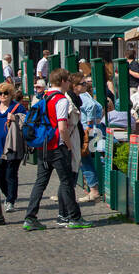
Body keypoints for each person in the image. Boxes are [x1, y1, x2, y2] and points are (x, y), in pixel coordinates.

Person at [23, 69, 91, 230]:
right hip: (57, 147)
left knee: (40, 183)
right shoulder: (61, 100)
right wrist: (68, 145)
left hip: (44, 146)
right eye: (67, 80)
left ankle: (30, 217)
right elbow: (62, 127)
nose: (69, 83)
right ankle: (74, 218)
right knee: (67, 182)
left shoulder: (44, 97)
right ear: (62, 81)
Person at [0, 82, 26, 212]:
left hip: (12, 146)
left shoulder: (18, 107)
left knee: (11, 174)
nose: (3, 96)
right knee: (0, 176)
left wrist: (15, 118)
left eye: (6, 93)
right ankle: (8, 196)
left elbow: (27, 121)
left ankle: (11, 200)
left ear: (11, 94)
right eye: (0, 93)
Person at [72, 78, 104, 203]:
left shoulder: (82, 95)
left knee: (84, 160)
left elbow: (92, 106)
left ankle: (93, 190)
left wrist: (90, 123)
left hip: (86, 131)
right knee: (84, 160)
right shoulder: (84, 95)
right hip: (89, 130)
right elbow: (99, 106)